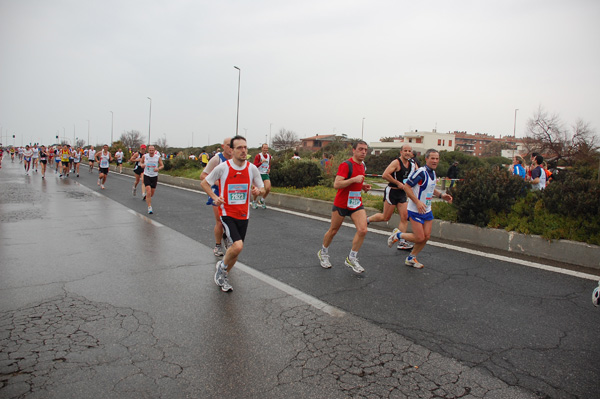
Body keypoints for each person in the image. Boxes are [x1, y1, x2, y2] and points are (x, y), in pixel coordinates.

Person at [201, 135, 265, 292]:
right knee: (237, 245)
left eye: (245, 147)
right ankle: (222, 268)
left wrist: (258, 190)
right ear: (232, 150)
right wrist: (215, 198)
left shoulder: (251, 168)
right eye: (239, 148)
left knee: (236, 251)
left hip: (244, 215)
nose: (243, 151)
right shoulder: (223, 167)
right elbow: (204, 182)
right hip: (227, 213)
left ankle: (223, 274)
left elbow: (262, 188)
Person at [387, 149, 453, 269]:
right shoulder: (421, 172)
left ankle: (411, 258)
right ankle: (398, 235)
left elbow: (430, 189)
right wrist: (417, 202)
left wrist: (441, 195)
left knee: (426, 236)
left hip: (427, 209)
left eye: (437, 158)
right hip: (415, 209)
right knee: (419, 237)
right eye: (432, 158)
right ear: (426, 159)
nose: (435, 161)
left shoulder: (433, 173)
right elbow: (407, 187)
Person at [318, 140, 372, 273]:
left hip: (355, 203)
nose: (363, 152)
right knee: (333, 231)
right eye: (360, 149)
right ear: (353, 150)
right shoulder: (346, 165)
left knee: (363, 230)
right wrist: (354, 180)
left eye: (365, 149)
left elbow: (356, 182)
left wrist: (362, 186)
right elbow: (337, 184)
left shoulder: (363, 165)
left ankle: (351, 258)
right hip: (342, 203)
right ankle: (323, 252)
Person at [366, 144, 417, 250]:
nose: (407, 152)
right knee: (386, 217)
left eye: (409, 151)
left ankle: (402, 242)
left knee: (404, 217)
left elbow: (418, 173)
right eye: (405, 150)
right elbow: (385, 175)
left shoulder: (412, 164)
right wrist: (397, 183)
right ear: (401, 152)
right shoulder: (396, 162)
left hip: (402, 193)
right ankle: (367, 220)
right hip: (392, 192)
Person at [200, 137, 233, 257]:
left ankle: (227, 236)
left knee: (230, 220)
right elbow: (203, 175)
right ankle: (218, 246)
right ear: (223, 146)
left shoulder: (236, 159)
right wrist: (216, 182)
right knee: (219, 221)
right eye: (229, 145)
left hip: (230, 194)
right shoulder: (217, 159)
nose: (231, 148)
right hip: (217, 193)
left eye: (233, 145)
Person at [139, 145, 164, 214]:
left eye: (152, 150)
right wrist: (142, 165)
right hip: (147, 175)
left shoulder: (157, 157)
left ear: (154, 150)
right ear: (148, 150)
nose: (151, 152)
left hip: (154, 176)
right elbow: (141, 162)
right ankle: (149, 207)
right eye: (150, 150)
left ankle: (147, 197)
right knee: (148, 191)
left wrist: (158, 168)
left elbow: (162, 165)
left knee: (151, 194)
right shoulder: (145, 156)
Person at [251, 143, 272, 209]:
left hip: (265, 174)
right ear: (262, 148)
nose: (265, 149)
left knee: (268, 188)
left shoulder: (269, 156)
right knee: (257, 190)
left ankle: (262, 200)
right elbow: (254, 166)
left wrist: (269, 169)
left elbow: (269, 163)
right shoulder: (258, 156)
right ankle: (254, 202)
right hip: (258, 174)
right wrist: (261, 162)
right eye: (264, 148)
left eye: (266, 148)